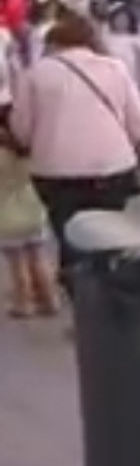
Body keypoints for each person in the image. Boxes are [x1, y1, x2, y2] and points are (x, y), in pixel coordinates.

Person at [9, 12, 140, 297]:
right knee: (107, 233)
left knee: (70, 236)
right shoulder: (115, 69)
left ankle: (82, 298)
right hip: (112, 167)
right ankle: (111, 292)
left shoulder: (36, 75)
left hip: (57, 173)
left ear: (53, 43)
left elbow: (21, 130)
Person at [0, 21, 57, 319]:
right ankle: (48, 298)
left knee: (16, 261)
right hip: (34, 209)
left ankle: (23, 301)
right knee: (39, 254)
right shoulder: (29, 149)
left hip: (8, 215)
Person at [102, 0, 140, 85]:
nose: (121, 22)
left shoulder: (134, 38)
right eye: (118, 19)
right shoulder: (106, 34)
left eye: (124, 19)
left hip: (129, 73)